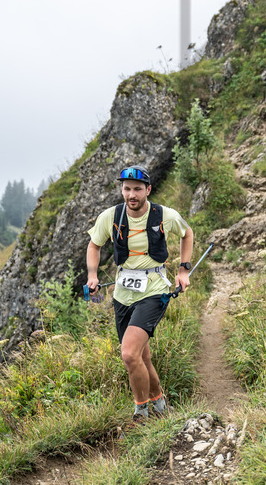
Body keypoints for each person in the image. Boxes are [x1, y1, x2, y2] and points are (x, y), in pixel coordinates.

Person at [85, 166, 194, 420]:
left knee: (129, 354)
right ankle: (161, 407)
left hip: (154, 289)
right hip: (123, 293)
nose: (131, 194)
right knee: (141, 356)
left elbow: (187, 233)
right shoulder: (111, 216)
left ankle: (141, 415)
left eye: (136, 189)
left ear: (148, 190)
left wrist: (183, 270)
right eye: (126, 189)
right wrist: (92, 275)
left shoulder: (164, 215)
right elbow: (94, 245)